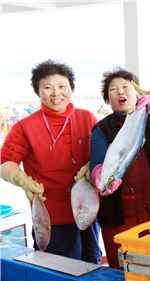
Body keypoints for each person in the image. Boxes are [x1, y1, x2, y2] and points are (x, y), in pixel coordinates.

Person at [0, 59, 102, 263]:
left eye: (62, 86)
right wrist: (21, 180)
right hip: (51, 217)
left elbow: (102, 155)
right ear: (38, 92)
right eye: (47, 87)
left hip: (88, 210)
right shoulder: (24, 126)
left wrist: (93, 165)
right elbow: (5, 164)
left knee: (93, 266)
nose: (56, 93)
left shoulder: (87, 118)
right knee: (57, 270)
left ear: (71, 89)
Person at [89, 67, 150, 269]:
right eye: (113, 89)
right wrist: (99, 178)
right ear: (107, 98)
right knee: (125, 269)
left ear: (137, 93)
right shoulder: (101, 129)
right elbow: (97, 163)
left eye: (125, 87)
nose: (120, 92)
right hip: (119, 217)